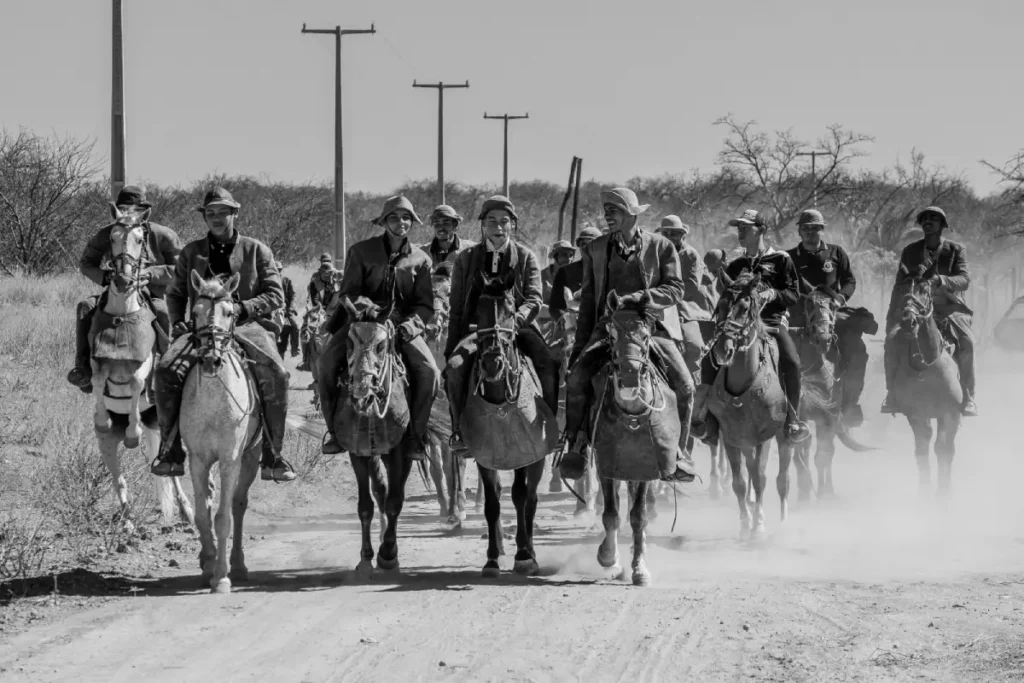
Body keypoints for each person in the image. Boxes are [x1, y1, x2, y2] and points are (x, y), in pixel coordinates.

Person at [150, 187, 295, 482]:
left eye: (222, 212)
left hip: (246, 326)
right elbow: (175, 293)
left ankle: (273, 454)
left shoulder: (257, 250)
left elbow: (275, 294)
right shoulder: (191, 251)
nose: (216, 218)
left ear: (234, 214)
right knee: (165, 369)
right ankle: (171, 451)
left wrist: (243, 308)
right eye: (210, 213)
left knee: (277, 373)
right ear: (205, 217)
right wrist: (178, 321)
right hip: (202, 327)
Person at [557, 187, 699, 483]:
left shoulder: (660, 246)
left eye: (615, 211)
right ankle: (578, 444)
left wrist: (640, 297)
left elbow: (675, 289)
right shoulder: (595, 249)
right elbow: (588, 302)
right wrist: (579, 349)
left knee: (685, 385)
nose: (608, 216)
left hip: (648, 327)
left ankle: (681, 454)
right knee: (576, 379)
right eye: (606, 211)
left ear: (632, 214)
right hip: (607, 327)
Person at [318, 195, 439, 458]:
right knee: (326, 363)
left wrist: (410, 326)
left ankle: (416, 437)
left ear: (412, 222)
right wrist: (367, 310)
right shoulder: (360, 251)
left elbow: (425, 305)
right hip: (361, 324)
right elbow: (348, 291)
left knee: (430, 372)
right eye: (394, 217)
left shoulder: (421, 259)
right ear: (384, 222)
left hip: (402, 327)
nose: (401, 222)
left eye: (406, 217)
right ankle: (333, 433)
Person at [444, 196, 560, 454]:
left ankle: (550, 426)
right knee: (454, 370)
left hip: (518, 329)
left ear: (513, 225)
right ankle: (459, 431)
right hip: (477, 331)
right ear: (483, 224)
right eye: (492, 221)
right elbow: (456, 306)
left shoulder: (526, 256)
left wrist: (515, 320)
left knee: (549, 364)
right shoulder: (466, 258)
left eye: (504, 221)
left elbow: (534, 298)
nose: (498, 226)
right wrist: (453, 345)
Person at [692, 209, 811, 446]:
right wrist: (720, 276)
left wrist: (772, 293)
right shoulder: (737, 264)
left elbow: (793, 293)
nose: (741, 232)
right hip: (739, 326)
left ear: (762, 230)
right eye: (739, 228)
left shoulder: (780, 259)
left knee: (792, 362)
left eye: (746, 227)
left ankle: (792, 420)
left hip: (773, 324)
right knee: (709, 359)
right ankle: (706, 419)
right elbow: (725, 293)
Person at [67, 186, 182, 392]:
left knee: (163, 311)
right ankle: (82, 367)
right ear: (117, 211)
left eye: (135, 208)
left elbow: (180, 269)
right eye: (123, 208)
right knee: (85, 306)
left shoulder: (164, 235)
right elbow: (86, 263)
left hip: (150, 293)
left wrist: (150, 274)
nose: (129, 212)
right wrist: (105, 276)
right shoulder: (107, 233)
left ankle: (165, 369)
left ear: (144, 211)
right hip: (114, 288)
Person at [882, 206, 976, 416]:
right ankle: (891, 394)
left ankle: (969, 395)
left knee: (967, 343)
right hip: (915, 306)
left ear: (942, 225)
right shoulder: (910, 251)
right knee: (891, 342)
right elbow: (900, 285)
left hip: (949, 308)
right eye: (924, 219)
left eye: (934, 219)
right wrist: (892, 316)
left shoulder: (955, 250)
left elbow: (964, 280)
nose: (928, 222)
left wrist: (941, 280)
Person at [786, 209, 869, 427]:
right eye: (806, 228)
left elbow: (850, 281)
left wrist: (840, 299)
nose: (810, 232)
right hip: (798, 317)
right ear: (799, 231)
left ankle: (850, 403)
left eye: (815, 228)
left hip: (832, 313)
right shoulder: (789, 257)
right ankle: (777, 403)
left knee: (858, 350)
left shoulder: (836, 253)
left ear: (822, 230)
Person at [655, 215, 713, 374]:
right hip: (656, 303)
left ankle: (694, 384)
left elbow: (692, 285)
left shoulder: (690, 255)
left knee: (694, 346)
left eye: (674, 233)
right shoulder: (655, 252)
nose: (669, 237)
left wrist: (667, 295)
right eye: (665, 233)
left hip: (683, 307)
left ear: (682, 235)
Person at [298, 253, 342, 371]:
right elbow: (315, 299)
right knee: (305, 330)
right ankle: (306, 360)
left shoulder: (338, 279)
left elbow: (342, 297)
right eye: (326, 273)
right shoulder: (315, 281)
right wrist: (320, 310)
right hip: (320, 311)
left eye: (330, 273)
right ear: (321, 272)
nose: (329, 275)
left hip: (336, 311)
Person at [548, 227, 602, 320]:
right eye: (583, 244)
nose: (586, 248)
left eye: (592, 244)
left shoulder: (610, 270)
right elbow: (555, 307)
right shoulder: (565, 272)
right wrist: (566, 319)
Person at [419, 204, 476, 270]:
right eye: (436, 223)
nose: (441, 227)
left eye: (446, 223)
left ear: (455, 225)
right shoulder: (422, 253)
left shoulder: (470, 250)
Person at [277, 261, 301, 358]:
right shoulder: (267, 281)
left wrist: (290, 308)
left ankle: (295, 349)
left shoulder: (286, 281)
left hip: (285, 311)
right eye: (275, 269)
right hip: (271, 311)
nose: (276, 271)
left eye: (278, 270)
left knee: (296, 326)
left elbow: (293, 295)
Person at [541, 240, 576, 304]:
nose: (569, 259)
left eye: (571, 255)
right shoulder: (542, 276)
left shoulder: (575, 278)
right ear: (555, 256)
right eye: (564, 255)